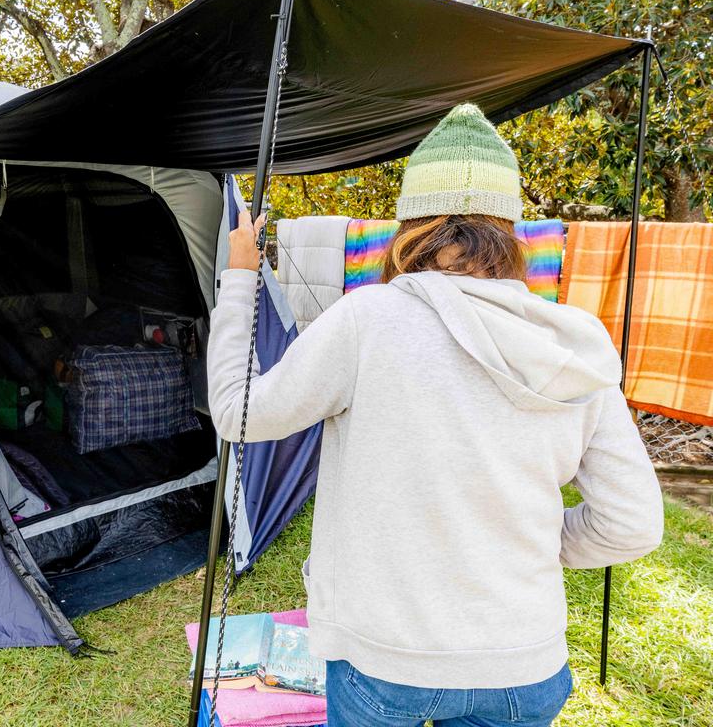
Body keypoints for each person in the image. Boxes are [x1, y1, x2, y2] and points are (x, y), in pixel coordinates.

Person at [206, 103, 664, 727]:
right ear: (510, 230)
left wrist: (238, 277)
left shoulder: (367, 321)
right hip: (522, 665)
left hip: (383, 661)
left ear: (409, 225)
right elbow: (632, 524)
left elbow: (238, 411)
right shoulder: (576, 341)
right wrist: (527, 541)